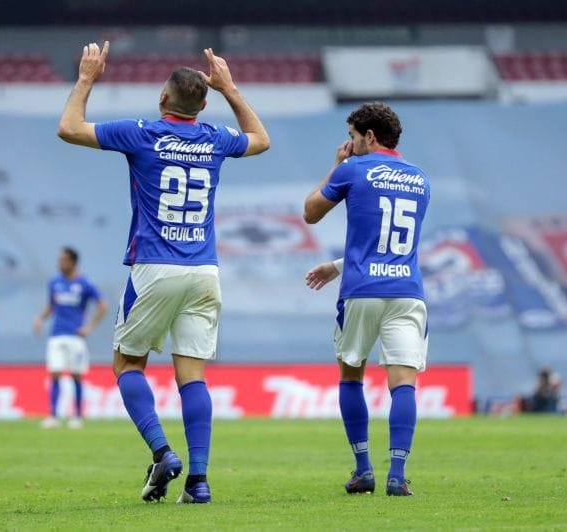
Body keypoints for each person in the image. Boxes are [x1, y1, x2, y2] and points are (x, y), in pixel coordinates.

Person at [57, 41, 270, 503]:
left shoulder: (143, 133)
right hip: (204, 271)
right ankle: (199, 481)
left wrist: (87, 78)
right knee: (192, 376)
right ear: (204, 104)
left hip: (155, 266)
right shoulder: (214, 138)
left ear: (161, 99)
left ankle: (162, 452)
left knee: (127, 363)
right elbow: (260, 140)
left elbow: (69, 128)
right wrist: (231, 89)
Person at [303, 102, 430, 496]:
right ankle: (397, 473)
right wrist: (337, 264)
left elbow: (310, 213)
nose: (350, 144)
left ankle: (363, 469)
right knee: (403, 384)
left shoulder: (354, 169)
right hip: (407, 291)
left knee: (351, 373)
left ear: (369, 137)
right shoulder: (420, 179)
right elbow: (391, 242)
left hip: (361, 291)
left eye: (353, 137)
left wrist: (336, 165)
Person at [33, 247, 108, 429]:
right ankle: (53, 416)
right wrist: (40, 318)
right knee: (55, 373)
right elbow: (51, 306)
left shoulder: (85, 283)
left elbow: (103, 305)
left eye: (64, 259)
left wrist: (89, 327)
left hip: (76, 337)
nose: (60, 263)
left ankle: (78, 416)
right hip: (57, 334)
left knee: (76, 375)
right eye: (59, 259)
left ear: (73, 262)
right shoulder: (55, 282)